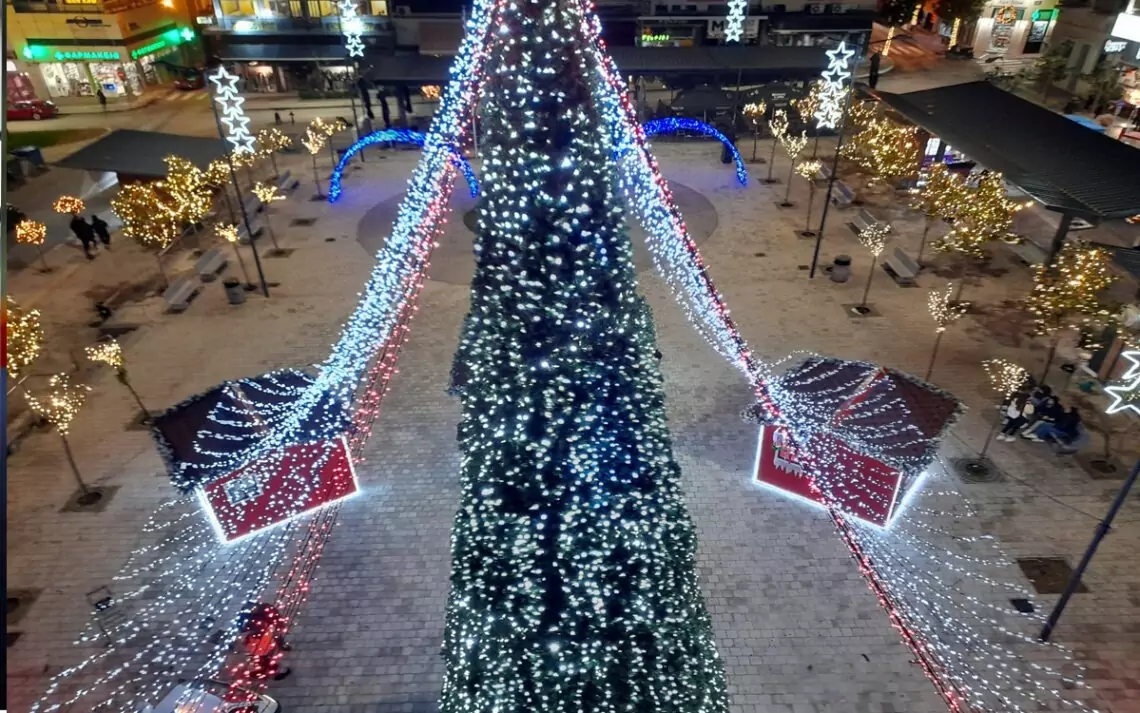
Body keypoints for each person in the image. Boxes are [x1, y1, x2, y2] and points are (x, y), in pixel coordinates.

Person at [242, 602, 292, 680]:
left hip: (261, 640)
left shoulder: (259, 617)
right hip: (261, 639)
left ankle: (268, 670)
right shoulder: (262, 612)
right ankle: (268, 669)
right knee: (261, 656)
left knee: (261, 656)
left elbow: (252, 630)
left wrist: (248, 636)